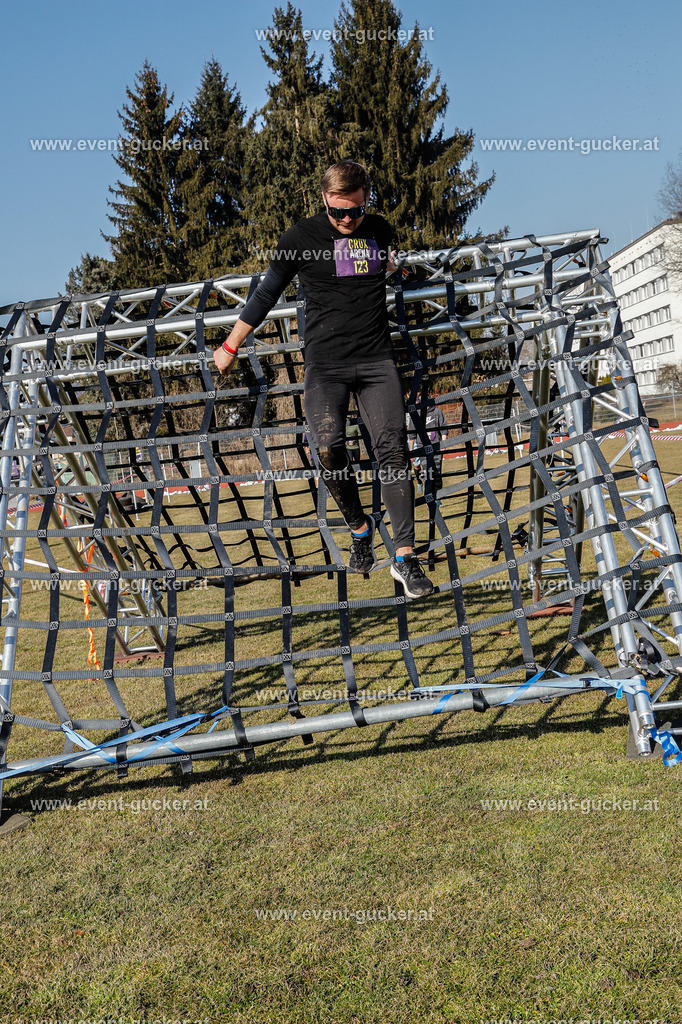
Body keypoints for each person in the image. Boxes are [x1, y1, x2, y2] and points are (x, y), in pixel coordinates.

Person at [213, 160, 433, 599]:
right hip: (325, 366)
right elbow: (266, 293)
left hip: (376, 363)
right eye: (339, 213)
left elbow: (381, 268)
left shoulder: (382, 230)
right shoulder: (299, 239)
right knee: (329, 447)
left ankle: (405, 559)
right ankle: (359, 526)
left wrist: (396, 269)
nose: (348, 220)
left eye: (355, 211)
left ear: (366, 198)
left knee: (392, 450)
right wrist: (230, 345)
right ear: (324, 201)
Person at [406, 397, 448, 499]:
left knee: (437, 472)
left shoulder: (437, 412)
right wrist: (411, 450)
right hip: (422, 448)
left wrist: (444, 443)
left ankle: (438, 497)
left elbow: (443, 429)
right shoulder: (416, 414)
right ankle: (429, 497)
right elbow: (412, 435)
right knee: (427, 473)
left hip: (436, 446)